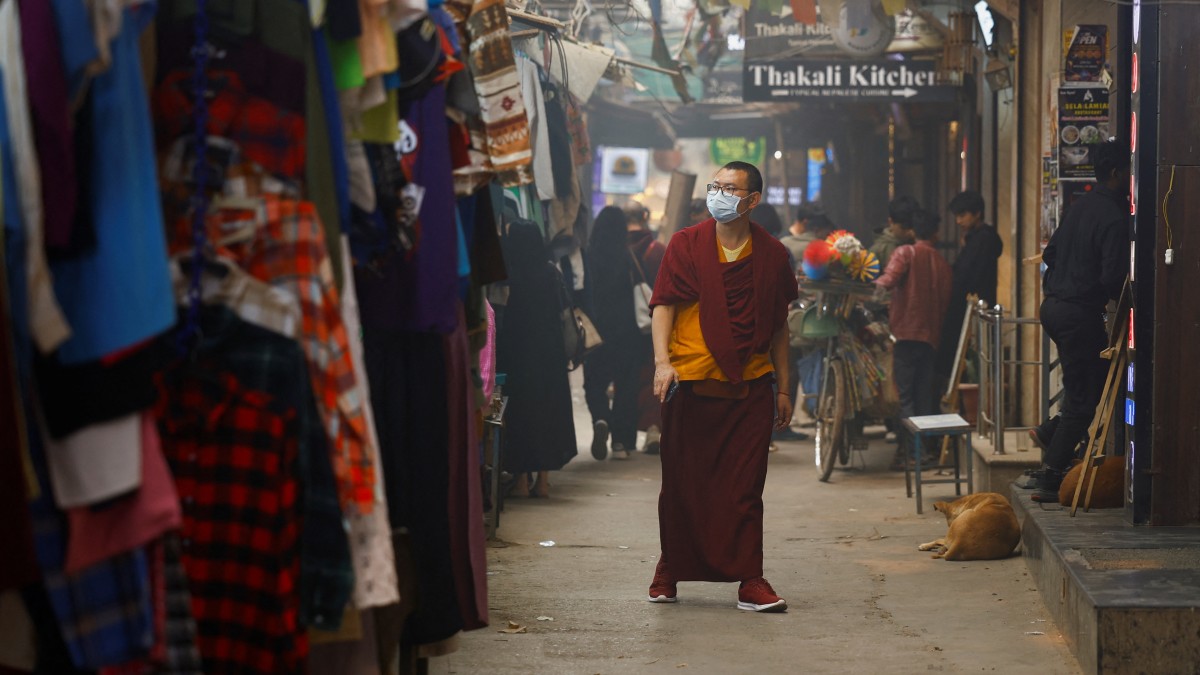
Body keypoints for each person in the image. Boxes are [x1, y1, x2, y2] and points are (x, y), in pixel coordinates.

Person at [647, 161, 798, 613]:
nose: (719, 194)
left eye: (729, 188)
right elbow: (663, 306)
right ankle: (669, 567)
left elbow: (778, 329)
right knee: (681, 484)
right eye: (715, 186)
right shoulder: (685, 243)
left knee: (746, 488)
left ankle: (751, 579)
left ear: (752, 201)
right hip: (690, 384)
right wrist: (662, 363)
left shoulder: (772, 254)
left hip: (750, 387)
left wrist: (785, 388)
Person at [1030, 141, 1129, 503]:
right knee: (1084, 400)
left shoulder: (1080, 205)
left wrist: (1066, 281)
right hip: (1077, 313)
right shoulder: (1115, 218)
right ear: (1118, 173)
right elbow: (1113, 276)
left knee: (1096, 383)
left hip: (1054, 307)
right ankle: (1051, 476)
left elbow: (1051, 253)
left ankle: (1049, 431)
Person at [496, 219, 578, 497]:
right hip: (549, 357)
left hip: (516, 355)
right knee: (547, 414)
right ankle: (542, 482)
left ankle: (520, 481)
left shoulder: (508, 275)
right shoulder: (551, 273)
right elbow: (565, 313)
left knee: (519, 415)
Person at [874, 208, 953, 471]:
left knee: (905, 397)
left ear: (911, 231)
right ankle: (924, 452)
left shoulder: (905, 253)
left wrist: (870, 285)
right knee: (922, 397)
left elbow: (888, 280)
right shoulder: (942, 262)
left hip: (905, 335)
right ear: (936, 232)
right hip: (931, 338)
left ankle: (912, 454)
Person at [583, 206, 649, 461]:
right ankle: (621, 442)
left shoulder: (588, 256)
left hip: (596, 332)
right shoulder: (629, 256)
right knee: (626, 386)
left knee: (594, 383)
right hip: (627, 332)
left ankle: (601, 418)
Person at [936, 190, 1004, 382]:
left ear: (977, 213)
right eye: (957, 216)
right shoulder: (979, 237)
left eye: (962, 215)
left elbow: (967, 274)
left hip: (971, 306)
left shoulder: (982, 239)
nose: (958, 221)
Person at [625, 202, 667, 454]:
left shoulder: (612, 247)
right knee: (652, 374)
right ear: (645, 217)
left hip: (621, 326)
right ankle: (653, 427)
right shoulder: (657, 250)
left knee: (626, 379)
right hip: (653, 322)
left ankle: (623, 433)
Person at [870, 196, 920, 270]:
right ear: (891, 222)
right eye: (904, 228)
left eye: (912, 227)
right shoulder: (878, 250)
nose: (910, 232)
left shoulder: (919, 245)